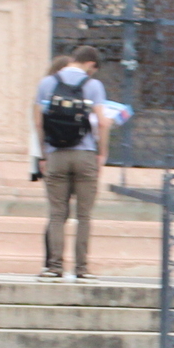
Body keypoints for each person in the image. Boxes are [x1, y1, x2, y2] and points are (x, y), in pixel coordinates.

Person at [34, 49, 107, 280]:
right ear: (90, 64)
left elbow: (38, 122)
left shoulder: (46, 83)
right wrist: (102, 154)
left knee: (57, 214)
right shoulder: (94, 85)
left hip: (56, 154)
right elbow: (103, 123)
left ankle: (54, 267)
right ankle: (81, 268)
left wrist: (44, 154)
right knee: (84, 215)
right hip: (85, 155)